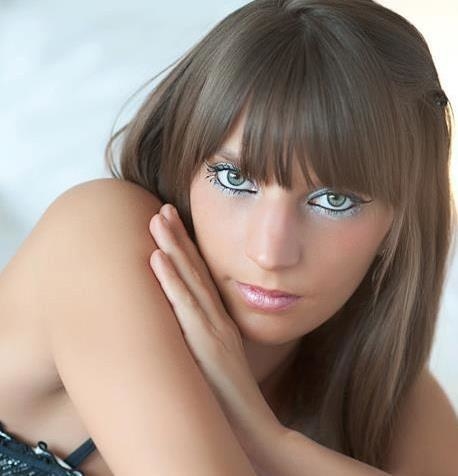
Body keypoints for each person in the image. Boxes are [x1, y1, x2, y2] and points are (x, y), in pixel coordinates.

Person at [0, 0, 457, 474]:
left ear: (399, 223)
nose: (270, 252)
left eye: (334, 200)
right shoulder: (101, 235)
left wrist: (271, 440)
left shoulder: (393, 402)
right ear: (182, 162)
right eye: (235, 179)